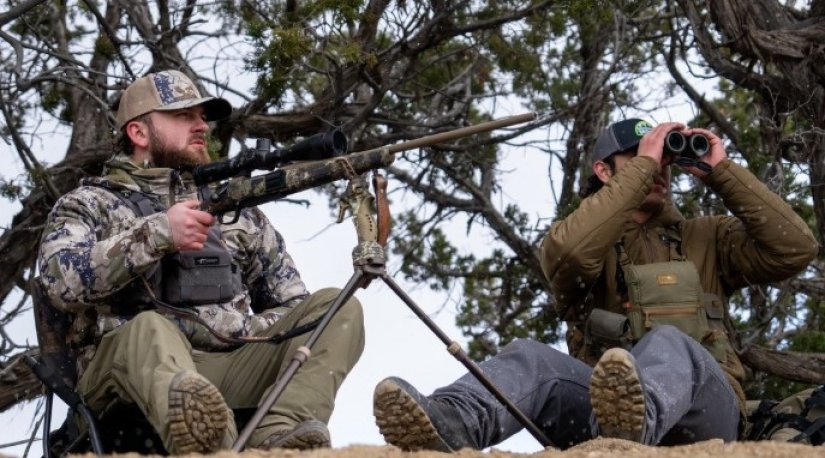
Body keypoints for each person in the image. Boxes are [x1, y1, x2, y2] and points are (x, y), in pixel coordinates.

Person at [372, 118, 819, 451]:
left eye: (663, 160)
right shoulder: (588, 241)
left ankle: (637, 418)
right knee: (530, 357)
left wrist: (722, 171)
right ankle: (450, 423)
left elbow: (796, 247)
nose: (659, 170)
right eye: (639, 158)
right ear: (605, 171)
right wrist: (645, 164)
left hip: (704, 416)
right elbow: (567, 254)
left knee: (672, 343)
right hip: (598, 417)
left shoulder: (708, 238)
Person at [37, 70, 365, 454]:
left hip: (225, 369)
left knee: (335, 307)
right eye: (183, 116)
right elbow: (59, 282)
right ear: (139, 133)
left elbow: (294, 310)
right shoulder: (89, 204)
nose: (202, 126)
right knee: (149, 328)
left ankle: (278, 434)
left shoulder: (238, 214)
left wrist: (236, 329)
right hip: (122, 379)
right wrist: (159, 233)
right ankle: (210, 441)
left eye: (202, 117)